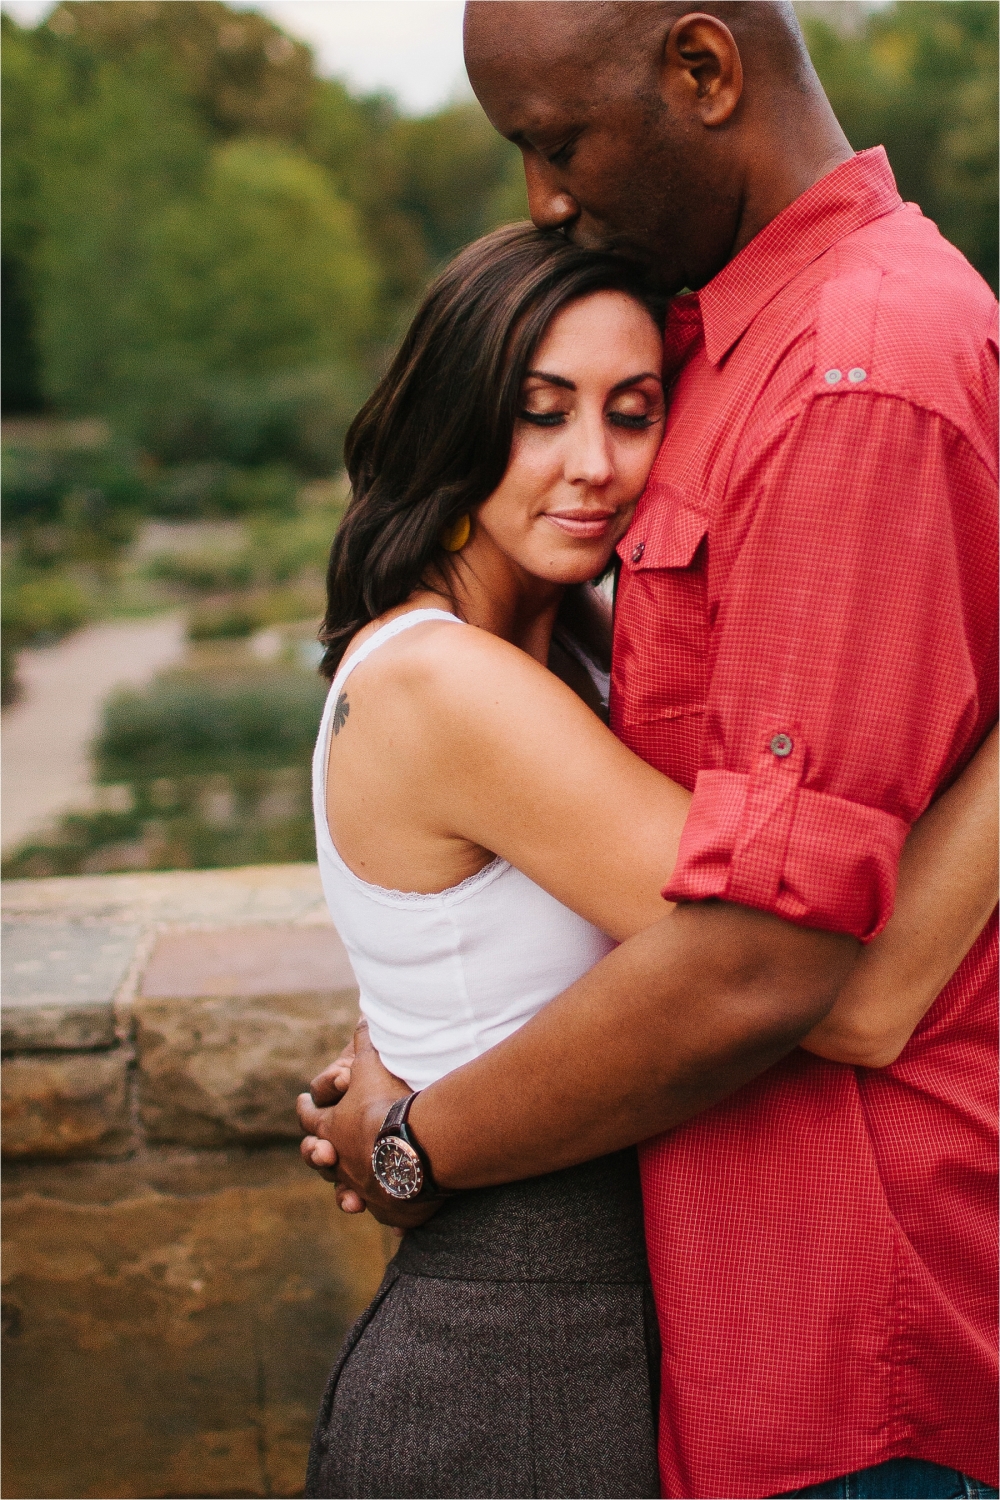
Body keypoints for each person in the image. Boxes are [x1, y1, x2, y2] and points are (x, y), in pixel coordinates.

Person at [300, 5, 999, 1499]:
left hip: (847, 1326)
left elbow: (790, 969)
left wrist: (414, 1136)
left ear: (702, 70)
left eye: (559, 141)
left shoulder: (846, 369)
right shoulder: (735, 343)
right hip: (606, 1346)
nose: (544, 193)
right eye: (541, 412)